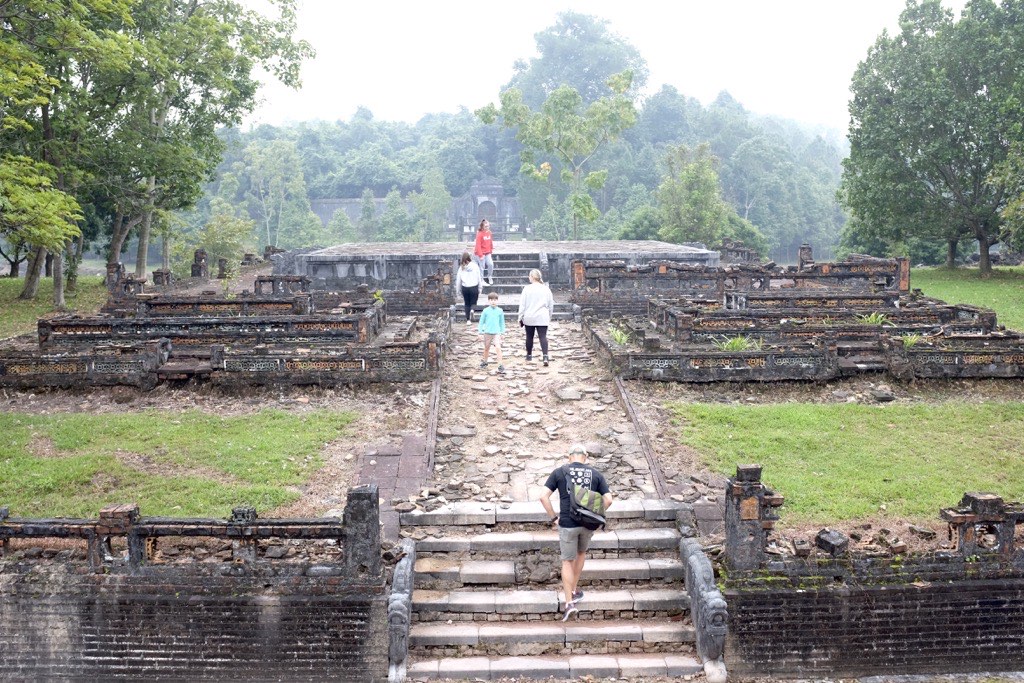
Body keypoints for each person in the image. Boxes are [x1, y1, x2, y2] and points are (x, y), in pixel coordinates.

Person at [539, 443, 613, 622]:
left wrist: (553, 518)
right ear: (585, 457)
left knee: (566, 561)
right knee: (581, 554)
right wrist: (595, 514)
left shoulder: (560, 472)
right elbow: (609, 500)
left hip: (567, 523)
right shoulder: (595, 474)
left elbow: (543, 496)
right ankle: (574, 590)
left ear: (569, 456)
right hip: (587, 524)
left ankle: (569, 603)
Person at [516, 268, 554, 366]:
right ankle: (545, 356)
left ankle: (529, 355)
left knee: (529, 336)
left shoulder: (527, 288)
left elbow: (522, 305)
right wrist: (549, 316)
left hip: (529, 316)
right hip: (542, 316)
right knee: (543, 336)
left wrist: (520, 317)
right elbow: (551, 305)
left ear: (532, 277)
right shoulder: (546, 288)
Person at [477, 292, 506, 374]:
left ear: (497, 301)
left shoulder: (500, 311)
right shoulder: (485, 311)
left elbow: (502, 323)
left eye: (495, 300)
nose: (493, 302)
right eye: (491, 300)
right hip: (487, 332)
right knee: (486, 348)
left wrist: (502, 332)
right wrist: (480, 332)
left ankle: (500, 364)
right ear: (488, 301)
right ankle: (485, 361)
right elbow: (481, 322)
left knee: (498, 348)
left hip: (496, 333)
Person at [455, 252, 482, 325]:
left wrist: (458, 291)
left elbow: (458, 281)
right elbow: (479, 277)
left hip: (465, 288)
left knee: (467, 304)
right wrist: (480, 287)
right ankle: (472, 310)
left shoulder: (461, 268)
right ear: (469, 258)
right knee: (474, 302)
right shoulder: (475, 266)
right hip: (474, 286)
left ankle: (468, 320)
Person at [473, 219, 494, 285]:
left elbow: (490, 242)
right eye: (486, 226)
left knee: (490, 264)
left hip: (487, 252)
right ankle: (481, 280)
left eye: (488, 226)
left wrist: (491, 250)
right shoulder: (479, 234)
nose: (487, 227)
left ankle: (489, 276)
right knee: (482, 267)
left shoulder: (489, 233)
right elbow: (478, 245)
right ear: (482, 227)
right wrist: (480, 255)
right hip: (480, 253)